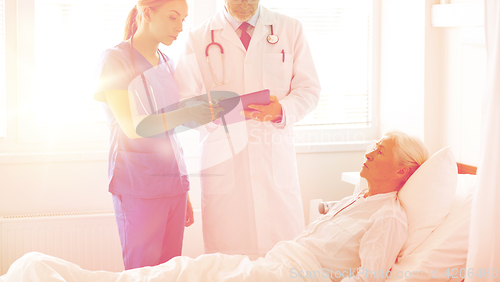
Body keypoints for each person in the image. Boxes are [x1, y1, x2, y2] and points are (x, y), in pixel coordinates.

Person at [0, 131, 429, 282]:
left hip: (286, 277)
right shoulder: (360, 199)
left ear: (405, 169)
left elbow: (371, 278)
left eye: (381, 149)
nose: (370, 152)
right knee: (182, 271)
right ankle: (46, 274)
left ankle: (44, 275)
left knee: (185, 273)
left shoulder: (388, 215)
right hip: (271, 267)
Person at [174, 0, 321, 258]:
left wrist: (281, 111)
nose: (245, 4)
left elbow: (309, 89)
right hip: (225, 163)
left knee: (283, 262)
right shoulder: (198, 38)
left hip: (273, 163)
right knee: (228, 266)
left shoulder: (288, 29)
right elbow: (185, 103)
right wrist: (215, 112)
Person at [92, 0, 220, 270]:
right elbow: (132, 127)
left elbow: (169, 135)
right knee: (142, 272)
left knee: (171, 272)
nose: (179, 26)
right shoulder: (115, 59)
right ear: (146, 13)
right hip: (137, 185)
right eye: (172, 17)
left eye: (183, 19)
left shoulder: (167, 62)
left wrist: (182, 190)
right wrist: (188, 111)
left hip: (172, 186)